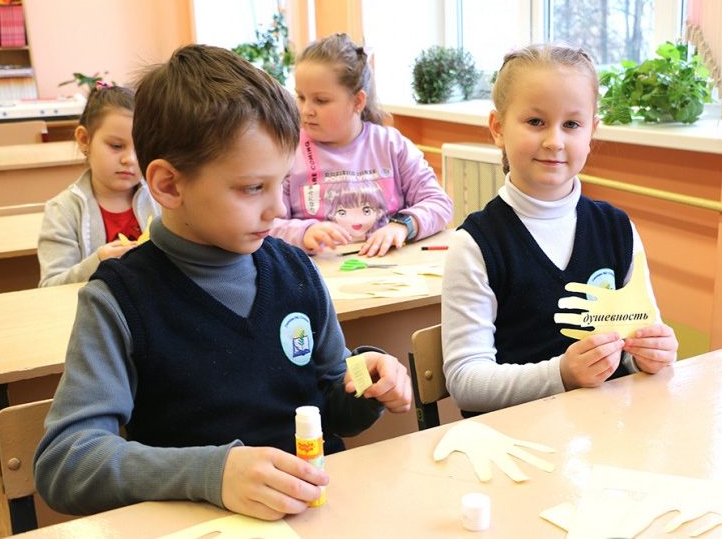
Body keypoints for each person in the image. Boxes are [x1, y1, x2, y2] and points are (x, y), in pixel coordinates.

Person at [34, 44, 412, 521]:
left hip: (311, 515)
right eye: (253, 188)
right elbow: (66, 463)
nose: (278, 209)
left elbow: (331, 403)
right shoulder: (119, 299)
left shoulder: (296, 271)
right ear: (168, 185)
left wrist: (365, 383)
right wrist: (210, 473)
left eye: (280, 183)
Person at [441, 44, 678, 414]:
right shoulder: (475, 245)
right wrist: (562, 374)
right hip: (514, 439)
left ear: (591, 132)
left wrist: (650, 353)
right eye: (536, 122)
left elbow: (637, 339)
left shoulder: (617, 229)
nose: (554, 141)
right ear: (498, 128)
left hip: (607, 431)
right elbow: (466, 382)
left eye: (571, 125)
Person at [270, 33, 452, 257]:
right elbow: (266, 225)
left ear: (357, 101)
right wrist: (304, 232)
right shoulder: (287, 152)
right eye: (300, 97)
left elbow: (439, 203)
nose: (306, 110)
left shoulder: (391, 145)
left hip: (390, 269)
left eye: (321, 100)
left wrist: (403, 225)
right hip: (319, 272)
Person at [37, 84, 160, 287]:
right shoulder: (63, 210)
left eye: (140, 148)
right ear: (84, 140)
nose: (130, 159)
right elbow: (50, 286)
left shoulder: (160, 198)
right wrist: (98, 262)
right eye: (116, 146)